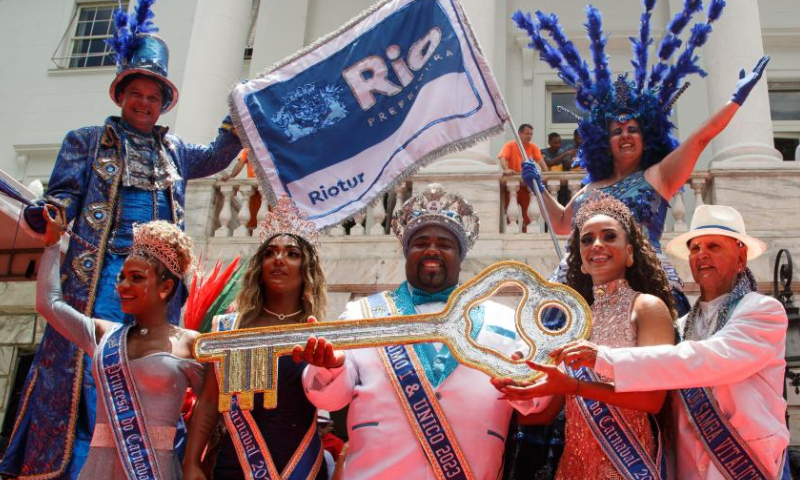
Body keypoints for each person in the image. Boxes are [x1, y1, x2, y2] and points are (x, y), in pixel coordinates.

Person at [0, 2, 242, 477]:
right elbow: (61, 198)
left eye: (154, 97)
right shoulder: (85, 141)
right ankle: (81, 467)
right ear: (121, 96)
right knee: (95, 375)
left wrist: (241, 115)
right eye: (137, 94)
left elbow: (218, 153)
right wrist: (46, 216)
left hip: (159, 288)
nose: (144, 103)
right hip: (102, 281)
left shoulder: (175, 151)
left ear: (164, 103)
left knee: (150, 376)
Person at [514, 2, 770, 317]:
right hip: (580, 285)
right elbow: (562, 224)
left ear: (646, 136)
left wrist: (735, 102)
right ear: (603, 142)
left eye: (633, 129)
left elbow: (700, 139)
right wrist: (537, 186)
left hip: (641, 283)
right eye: (616, 130)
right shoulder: (591, 187)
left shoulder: (658, 176)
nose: (625, 135)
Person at [294, 184, 538, 480]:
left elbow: (534, 405)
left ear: (460, 256)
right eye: (420, 242)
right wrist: (329, 368)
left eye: (444, 244)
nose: (432, 249)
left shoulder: (507, 320)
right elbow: (329, 400)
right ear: (406, 253)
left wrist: (535, 380)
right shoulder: (363, 314)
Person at [549, 204, 789, 480]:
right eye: (695, 248)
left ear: (741, 256)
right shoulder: (682, 327)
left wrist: (604, 358)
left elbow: (711, 358)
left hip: (747, 468)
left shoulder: (763, 311)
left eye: (714, 246)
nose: (702, 255)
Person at [494, 194, 675, 479]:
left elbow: (652, 399)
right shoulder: (575, 322)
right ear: (580, 260)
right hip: (573, 467)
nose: (597, 245)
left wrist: (575, 386)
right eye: (587, 240)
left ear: (629, 253)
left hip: (627, 465)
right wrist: (518, 385)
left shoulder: (647, 307)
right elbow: (544, 414)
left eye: (609, 236)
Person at [34, 208, 203, 480]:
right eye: (121, 277)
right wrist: (52, 245)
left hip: (154, 469)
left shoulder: (191, 343)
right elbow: (49, 304)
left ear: (165, 288)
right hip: (98, 469)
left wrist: (195, 462)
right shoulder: (103, 334)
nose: (123, 285)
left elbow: (212, 410)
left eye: (136, 278)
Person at [183, 196, 327, 480]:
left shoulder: (317, 333)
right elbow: (210, 401)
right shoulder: (232, 329)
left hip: (302, 468)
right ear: (259, 266)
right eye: (270, 252)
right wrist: (191, 461)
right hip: (237, 465)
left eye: (292, 253)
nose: (279, 259)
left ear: (307, 269)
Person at [498, 124, 546, 231]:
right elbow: (502, 158)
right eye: (527, 133)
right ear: (519, 134)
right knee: (511, 217)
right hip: (512, 185)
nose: (529, 136)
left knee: (529, 216)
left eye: (531, 134)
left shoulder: (533, 147)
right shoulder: (510, 145)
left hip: (526, 187)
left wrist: (546, 175)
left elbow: (542, 163)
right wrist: (506, 169)